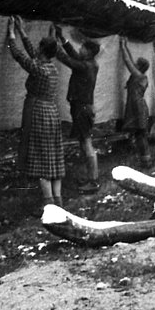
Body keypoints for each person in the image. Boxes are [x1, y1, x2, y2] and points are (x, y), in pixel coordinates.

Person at [6, 15, 66, 211]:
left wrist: (11, 34)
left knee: (41, 160)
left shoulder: (38, 69)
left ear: (42, 50)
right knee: (54, 161)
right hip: (51, 114)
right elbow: (33, 54)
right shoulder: (51, 68)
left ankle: (50, 207)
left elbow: (19, 55)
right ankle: (58, 202)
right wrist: (23, 32)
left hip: (38, 113)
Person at [54, 25, 101, 194]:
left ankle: (94, 181)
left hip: (82, 109)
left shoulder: (85, 66)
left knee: (87, 143)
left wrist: (54, 45)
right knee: (84, 142)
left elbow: (67, 60)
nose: (79, 49)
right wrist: (62, 39)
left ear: (88, 52)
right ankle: (90, 177)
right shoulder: (90, 64)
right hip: (82, 108)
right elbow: (73, 55)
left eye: (82, 48)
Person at [119, 36, 153, 169]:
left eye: (137, 64)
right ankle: (145, 160)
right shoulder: (139, 75)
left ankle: (146, 161)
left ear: (140, 67)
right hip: (136, 107)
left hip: (138, 109)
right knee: (139, 135)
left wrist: (122, 47)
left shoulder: (140, 76)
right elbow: (131, 61)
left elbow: (128, 62)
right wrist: (126, 46)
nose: (135, 64)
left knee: (141, 135)